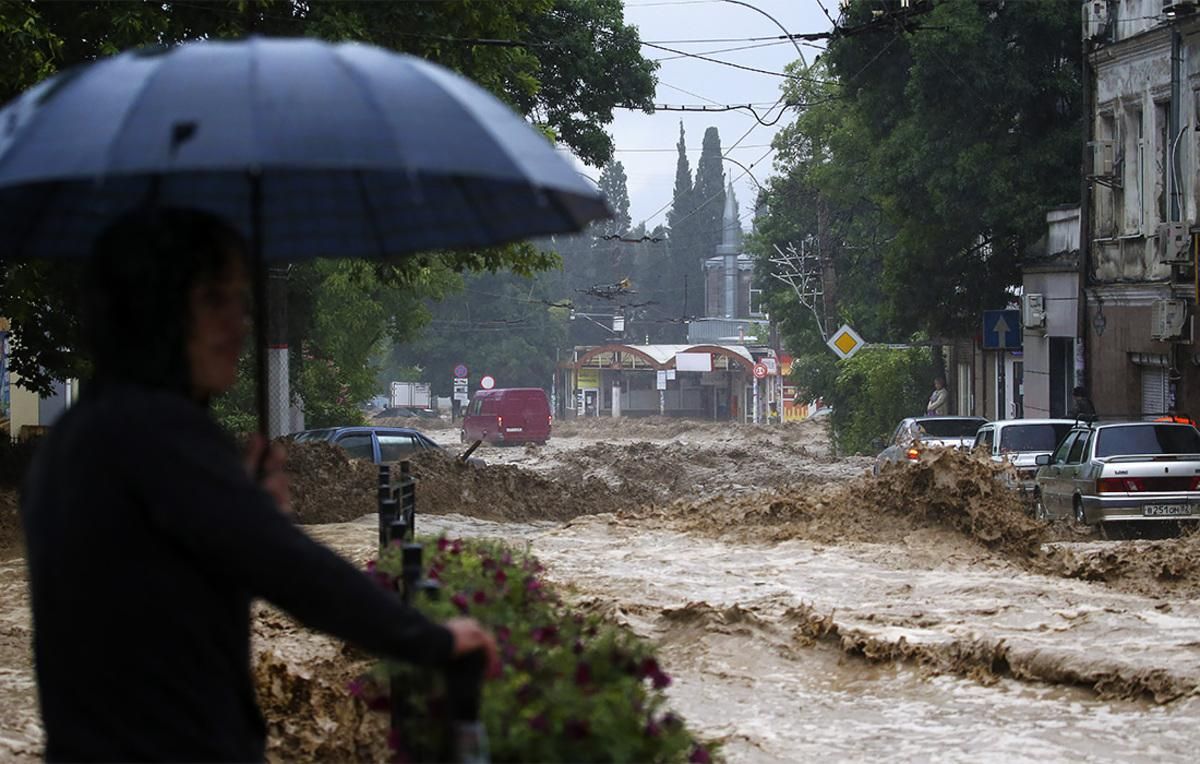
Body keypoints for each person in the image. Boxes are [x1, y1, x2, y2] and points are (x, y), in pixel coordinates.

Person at [20, 208, 498, 762]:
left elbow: (157, 595)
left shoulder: (76, 439)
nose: (239, 324)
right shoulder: (159, 435)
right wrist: (433, 640)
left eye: (240, 302)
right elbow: (294, 573)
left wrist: (242, 506)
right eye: (214, 301)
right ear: (155, 312)